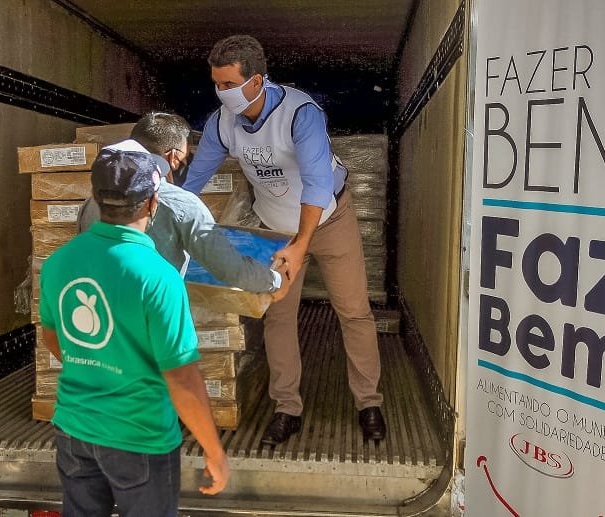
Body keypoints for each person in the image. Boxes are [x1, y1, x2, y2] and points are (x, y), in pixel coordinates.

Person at [184, 35, 387, 445]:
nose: (220, 94)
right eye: (216, 84)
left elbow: (315, 185)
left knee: (353, 310)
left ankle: (368, 402)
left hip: (328, 220)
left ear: (256, 81)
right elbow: (195, 180)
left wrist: (301, 244)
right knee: (277, 315)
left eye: (228, 85)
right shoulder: (221, 123)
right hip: (275, 226)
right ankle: (286, 408)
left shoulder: (300, 113)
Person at [41, 139, 230, 516]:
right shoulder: (158, 276)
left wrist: (97, 361)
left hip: (74, 431)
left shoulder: (59, 262)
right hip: (139, 437)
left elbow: (53, 336)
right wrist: (214, 451)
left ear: (95, 197)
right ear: (152, 204)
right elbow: (182, 379)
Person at [78, 112, 286, 297]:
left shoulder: (90, 203)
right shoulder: (181, 205)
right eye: (183, 159)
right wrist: (274, 280)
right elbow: (230, 269)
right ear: (172, 157)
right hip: (152, 315)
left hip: (98, 314)